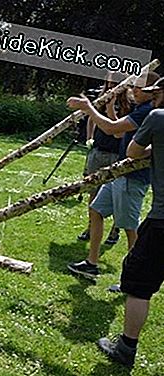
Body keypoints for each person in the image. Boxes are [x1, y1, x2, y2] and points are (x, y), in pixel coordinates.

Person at [96, 77, 164, 368]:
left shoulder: (158, 118)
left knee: (139, 284)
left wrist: (154, 150)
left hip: (163, 220)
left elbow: (133, 152)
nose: (152, 98)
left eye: (156, 93)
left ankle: (125, 349)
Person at [66, 72, 159, 279]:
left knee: (129, 227)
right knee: (96, 210)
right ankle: (91, 264)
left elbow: (110, 128)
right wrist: (108, 107)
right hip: (120, 171)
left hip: (133, 177)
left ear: (152, 93)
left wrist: (87, 108)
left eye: (139, 88)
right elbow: (118, 133)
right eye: (133, 86)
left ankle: (134, 275)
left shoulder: (147, 111)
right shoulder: (139, 108)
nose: (134, 90)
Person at [77, 79, 130, 245]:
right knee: (93, 191)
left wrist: (110, 110)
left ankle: (115, 230)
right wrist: (90, 137)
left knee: (115, 195)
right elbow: (92, 118)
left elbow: (117, 132)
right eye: (108, 85)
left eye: (114, 85)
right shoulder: (102, 100)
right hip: (99, 150)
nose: (110, 88)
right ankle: (90, 227)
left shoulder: (130, 105)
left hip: (117, 154)